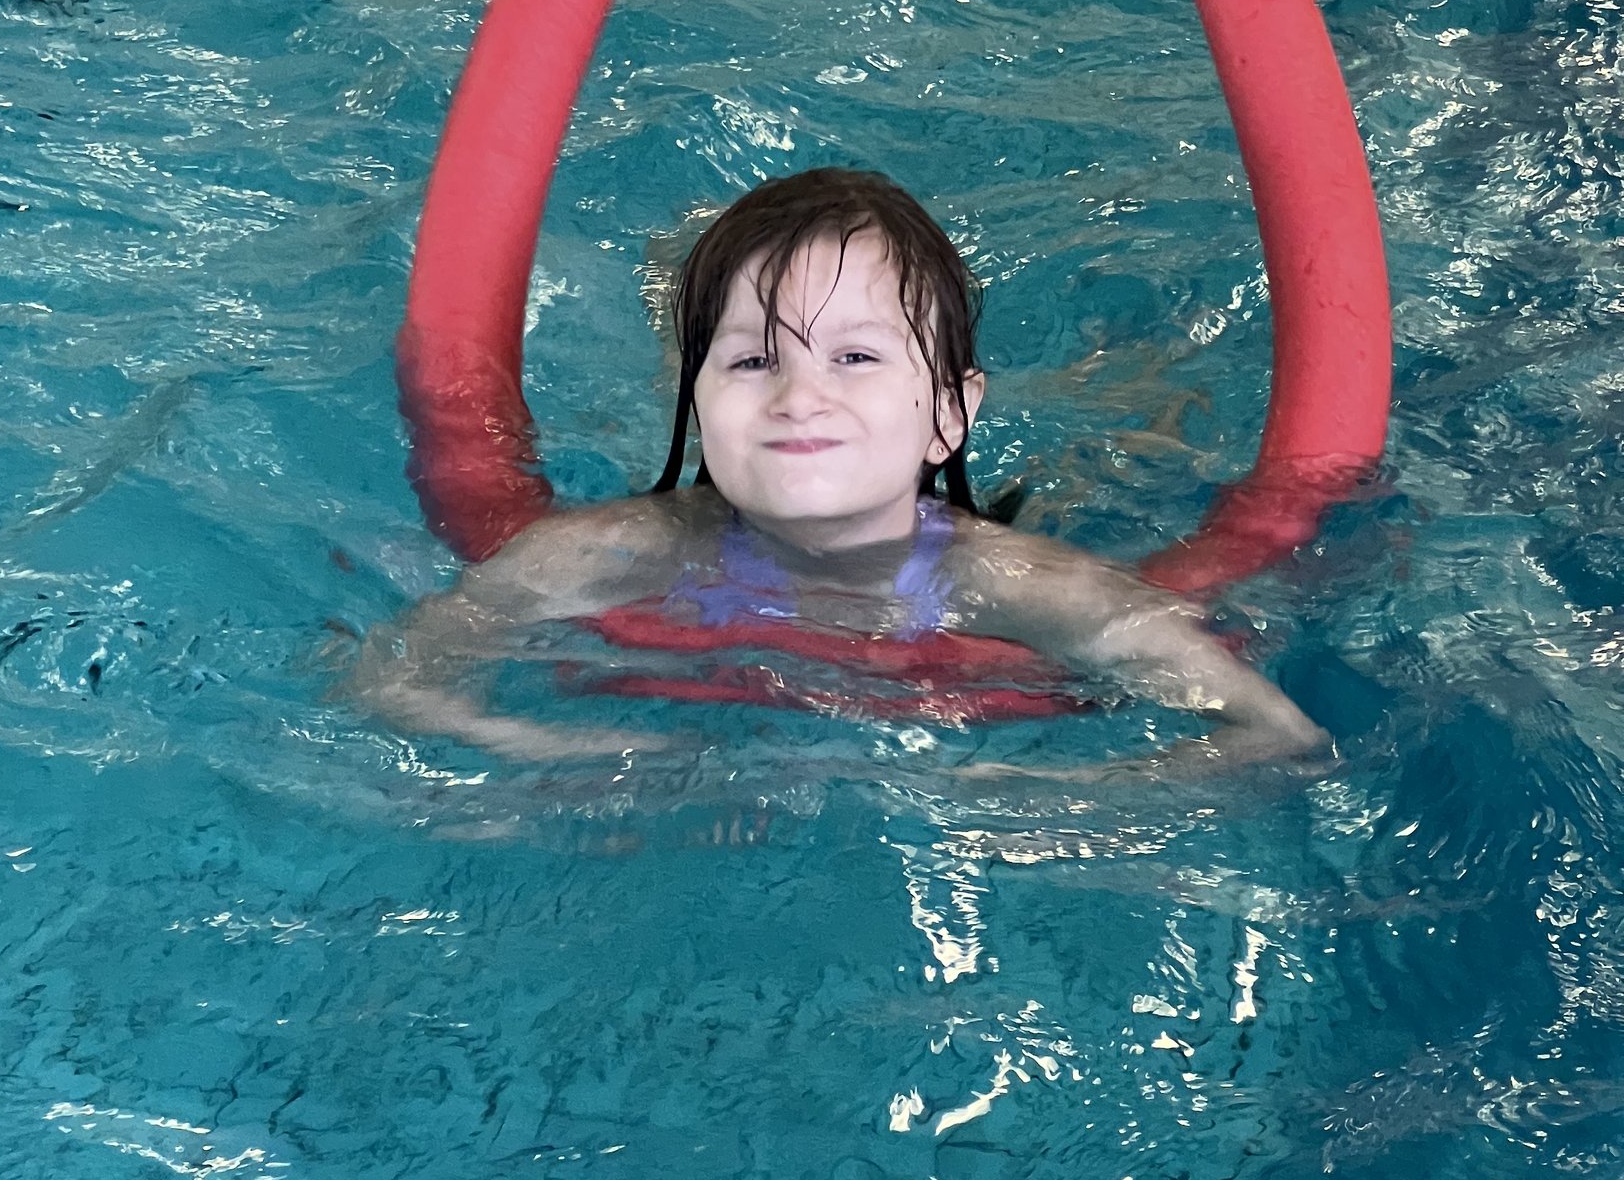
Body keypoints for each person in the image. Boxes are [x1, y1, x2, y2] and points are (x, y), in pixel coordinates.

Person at [354, 167, 1327, 779]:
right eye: (751, 361)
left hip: (1030, 527)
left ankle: (1147, 385)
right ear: (694, 398)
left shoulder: (1032, 589)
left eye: (855, 358)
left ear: (947, 414)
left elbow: (1275, 731)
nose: (799, 397)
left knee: (1118, 467)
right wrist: (574, 759)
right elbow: (389, 684)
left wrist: (1054, 803)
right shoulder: (604, 553)